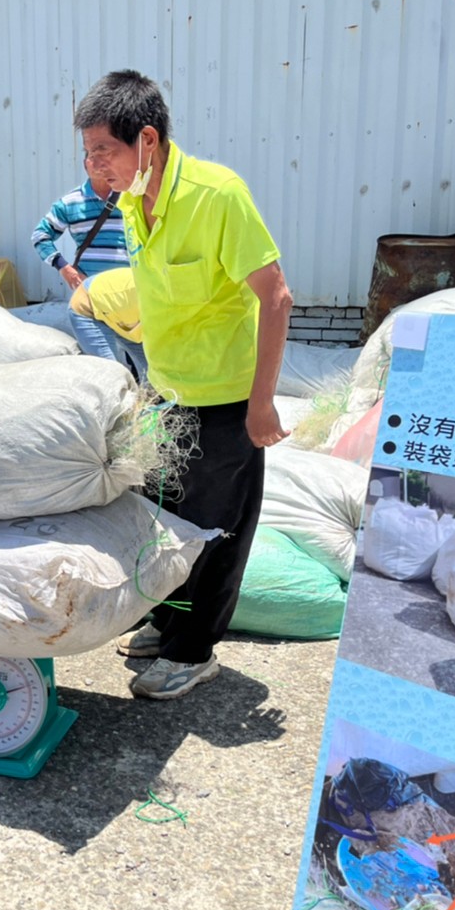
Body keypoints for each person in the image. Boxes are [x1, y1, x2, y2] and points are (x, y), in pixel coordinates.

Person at [74, 70, 293, 700]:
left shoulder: (216, 195)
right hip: (167, 393)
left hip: (227, 399)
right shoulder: (132, 202)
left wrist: (261, 403)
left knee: (215, 532)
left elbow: (276, 297)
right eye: (88, 153)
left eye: (103, 151)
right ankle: (168, 624)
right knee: (163, 519)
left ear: (146, 140)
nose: (94, 166)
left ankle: (195, 652)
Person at [31, 163, 142, 369]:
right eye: (92, 157)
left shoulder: (131, 197)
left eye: (104, 158)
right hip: (92, 298)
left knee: (148, 367)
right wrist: (64, 267)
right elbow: (40, 236)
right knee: (110, 367)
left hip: (129, 296)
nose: (99, 164)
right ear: (85, 165)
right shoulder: (70, 203)